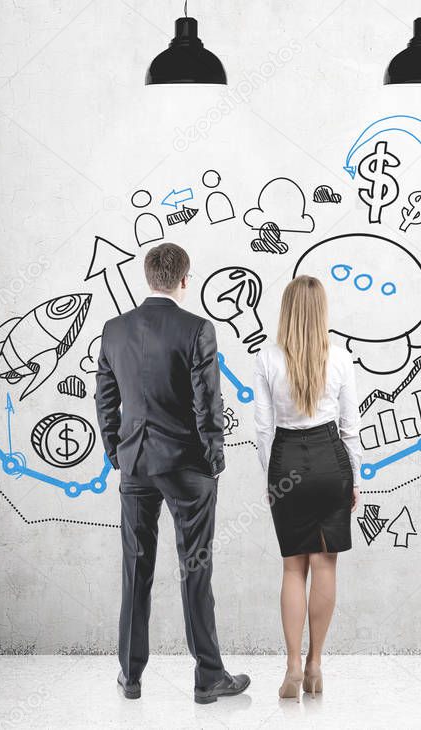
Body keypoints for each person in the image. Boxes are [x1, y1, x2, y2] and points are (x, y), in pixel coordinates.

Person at [94, 242, 250, 705]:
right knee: (195, 570)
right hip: (187, 466)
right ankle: (208, 678)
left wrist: (114, 450)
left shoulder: (114, 329)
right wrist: (215, 457)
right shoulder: (197, 328)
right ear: (185, 280)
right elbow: (208, 400)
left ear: (149, 278)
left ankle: (130, 676)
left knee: (135, 568)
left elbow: (105, 397)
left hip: (135, 464)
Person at [252, 275, 362, 700]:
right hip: (330, 459)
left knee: (292, 567)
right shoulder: (340, 358)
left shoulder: (266, 358)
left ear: (286, 310)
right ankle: (316, 663)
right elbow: (350, 429)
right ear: (322, 313)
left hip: (287, 461)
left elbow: (263, 429)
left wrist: (271, 477)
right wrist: (355, 479)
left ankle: (292, 666)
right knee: (326, 564)